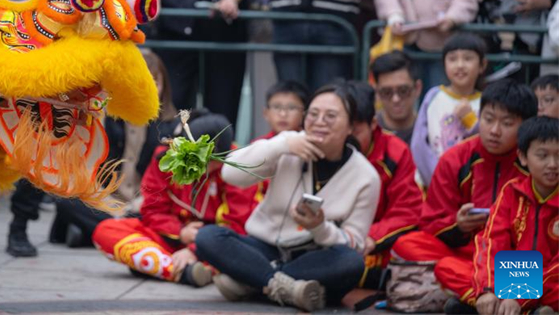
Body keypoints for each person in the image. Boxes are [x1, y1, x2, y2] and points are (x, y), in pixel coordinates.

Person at [195, 84, 381, 311]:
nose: (320, 121)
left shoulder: (366, 176)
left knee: (351, 263)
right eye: (313, 114)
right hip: (264, 247)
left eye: (331, 116)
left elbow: (354, 243)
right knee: (208, 237)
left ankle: (254, 281)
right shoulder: (288, 145)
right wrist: (281, 144)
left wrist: (319, 227)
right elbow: (230, 173)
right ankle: (284, 287)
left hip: (314, 257)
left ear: (351, 126)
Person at [391, 80, 537, 307]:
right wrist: (458, 225)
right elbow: (430, 221)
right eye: (488, 119)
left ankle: (475, 297)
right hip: (465, 254)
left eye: (507, 123)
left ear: (526, 125)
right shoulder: (456, 158)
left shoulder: (532, 164)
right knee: (407, 244)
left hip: (509, 256)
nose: (495, 131)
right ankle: (502, 297)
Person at [92, 112, 254, 287]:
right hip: (172, 238)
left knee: (241, 247)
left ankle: (157, 265)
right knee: (106, 230)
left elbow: (237, 224)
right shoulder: (167, 158)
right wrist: (181, 232)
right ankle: (185, 272)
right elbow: (153, 211)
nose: (195, 166)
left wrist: (197, 248)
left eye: (204, 160)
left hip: (216, 243)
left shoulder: (238, 167)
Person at [47, 51, 179, 249]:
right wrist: (111, 207)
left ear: (163, 87)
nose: (146, 91)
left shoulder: (172, 125)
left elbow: (167, 185)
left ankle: (102, 233)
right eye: (140, 84)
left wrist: (137, 206)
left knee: (162, 214)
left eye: (154, 84)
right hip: (106, 202)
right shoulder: (100, 116)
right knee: (66, 199)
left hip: (143, 205)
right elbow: (86, 171)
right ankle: (123, 231)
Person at [473, 116, 558, 315]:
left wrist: (518, 295)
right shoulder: (511, 191)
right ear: (523, 157)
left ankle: (509, 308)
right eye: (543, 155)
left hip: (549, 280)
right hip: (509, 275)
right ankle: (508, 306)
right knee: (448, 268)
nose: (553, 164)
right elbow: (492, 241)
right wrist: (488, 290)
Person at [344, 81, 422, 291]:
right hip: (335, 240)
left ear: (373, 123)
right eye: (343, 129)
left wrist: (371, 237)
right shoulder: (323, 145)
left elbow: (407, 210)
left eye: (506, 122)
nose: (495, 130)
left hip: (376, 243)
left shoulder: (396, 151)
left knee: (416, 248)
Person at [411, 33, 487, 186]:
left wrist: (471, 122)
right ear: (444, 64)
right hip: (435, 183)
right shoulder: (433, 96)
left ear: (482, 65)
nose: (460, 65)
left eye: (467, 58)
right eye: (452, 59)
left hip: (474, 184)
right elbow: (419, 143)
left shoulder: (487, 100)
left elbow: (490, 142)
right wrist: (437, 178)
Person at [371, 51, 422, 145]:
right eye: (387, 92)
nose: (396, 99)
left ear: (417, 88)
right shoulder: (369, 132)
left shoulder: (430, 131)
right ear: (377, 92)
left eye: (403, 91)